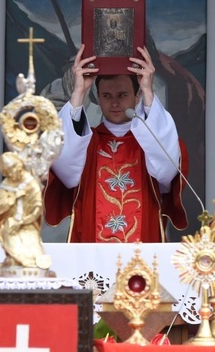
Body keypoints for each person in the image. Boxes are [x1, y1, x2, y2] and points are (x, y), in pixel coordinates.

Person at [44, 44, 188, 242]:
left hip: (142, 246)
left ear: (136, 97)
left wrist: (148, 90)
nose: (114, 103)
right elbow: (66, 170)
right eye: (106, 96)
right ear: (98, 98)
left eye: (122, 95)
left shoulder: (151, 141)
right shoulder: (85, 143)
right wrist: (78, 93)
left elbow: (167, 172)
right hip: (91, 243)